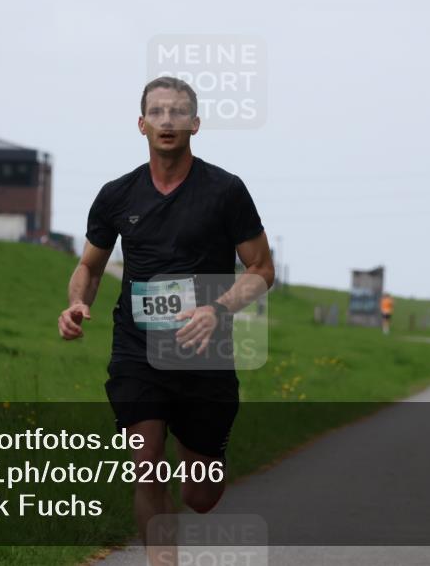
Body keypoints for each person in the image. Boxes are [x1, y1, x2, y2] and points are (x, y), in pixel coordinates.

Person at [58, 76, 274, 563]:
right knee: (146, 469)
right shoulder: (117, 196)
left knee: (200, 495)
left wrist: (218, 309)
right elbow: (89, 267)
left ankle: (199, 460)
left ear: (195, 124)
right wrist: (76, 303)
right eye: (157, 112)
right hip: (138, 348)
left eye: (178, 112)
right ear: (141, 124)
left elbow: (262, 269)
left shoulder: (226, 191)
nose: (168, 121)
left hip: (205, 353)